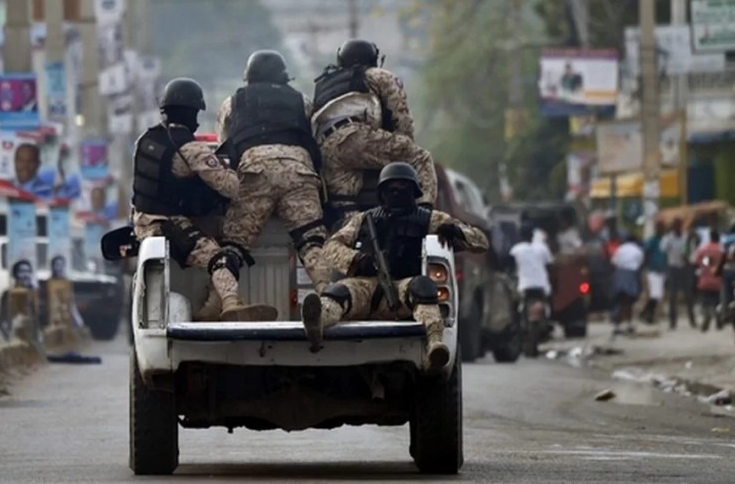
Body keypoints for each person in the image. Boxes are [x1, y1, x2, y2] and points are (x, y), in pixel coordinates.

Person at [300, 162, 489, 369]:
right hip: (368, 286)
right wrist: (356, 259)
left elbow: (481, 242)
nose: (397, 193)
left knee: (424, 288)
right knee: (337, 292)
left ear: (414, 192)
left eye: (403, 189)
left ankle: (435, 343)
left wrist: (457, 232)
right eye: (391, 189)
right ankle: (317, 322)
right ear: (382, 194)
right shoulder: (365, 219)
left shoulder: (431, 219)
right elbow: (331, 247)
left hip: (405, 288)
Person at [132, 77, 274, 322]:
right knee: (219, 257)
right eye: (196, 113)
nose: (197, 121)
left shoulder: (145, 139)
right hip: (166, 223)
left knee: (215, 233)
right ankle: (231, 303)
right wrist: (230, 167)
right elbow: (229, 187)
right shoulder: (190, 148)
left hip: (143, 221)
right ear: (191, 112)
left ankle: (210, 308)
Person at [215, 50, 331, 292]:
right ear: (283, 76)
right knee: (312, 242)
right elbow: (315, 137)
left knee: (234, 245)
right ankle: (327, 295)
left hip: (255, 168)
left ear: (249, 76)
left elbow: (224, 145)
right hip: (299, 169)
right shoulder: (301, 100)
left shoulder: (232, 103)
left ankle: (223, 301)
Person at [312, 39, 437, 226]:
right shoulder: (377, 74)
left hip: (327, 147)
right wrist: (403, 146)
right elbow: (400, 115)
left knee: (345, 201)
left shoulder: (324, 83)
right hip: (356, 137)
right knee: (420, 158)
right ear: (372, 58)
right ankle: (424, 218)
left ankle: (354, 235)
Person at [661, 218, 696, 329]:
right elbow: (663, 249)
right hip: (673, 268)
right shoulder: (668, 237)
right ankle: (672, 322)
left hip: (685, 267)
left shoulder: (687, 236)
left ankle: (692, 320)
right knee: (672, 296)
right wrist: (668, 238)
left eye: (679, 225)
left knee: (689, 295)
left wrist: (689, 259)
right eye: (675, 225)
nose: (677, 227)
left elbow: (692, 252)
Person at [509, 225, 552, 313]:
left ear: (520, 235)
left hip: (524, 286)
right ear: (532, 235)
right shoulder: (542, 248)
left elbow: (511, 266)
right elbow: (549, 265)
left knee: (516, 305)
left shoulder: (515, 250)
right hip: (542, 286)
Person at [610, 235, 644, 336]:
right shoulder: (638, 250)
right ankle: (628, 324)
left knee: (619, 300)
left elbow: (613, 261)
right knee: (629, 301)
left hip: (620, 274)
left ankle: (617, 325)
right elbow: (640, 263)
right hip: (631, 275)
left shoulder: (620, 249)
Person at [692, 230, 725, 332]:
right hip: (717, 281)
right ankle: (718, 317)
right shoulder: (721, 249)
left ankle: (707, 314)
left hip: (705, 281)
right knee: (717, 301)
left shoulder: (703, 249)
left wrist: (705, 264)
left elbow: (696, 261)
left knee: (705, 302)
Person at [640, 221, 667, 324]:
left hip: (662, 269)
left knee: (657, 295)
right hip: (653, 269)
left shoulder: (664, 240)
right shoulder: (652, 240)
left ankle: (647, 313)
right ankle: (647, 313)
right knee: (655, 294)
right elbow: (646, 252)